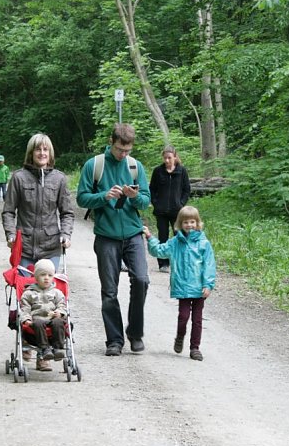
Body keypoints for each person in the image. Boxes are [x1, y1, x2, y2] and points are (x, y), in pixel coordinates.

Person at [76, 123, 151, 357]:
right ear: (112, 142)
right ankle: (114, 340)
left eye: (127, 150)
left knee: (141, 280)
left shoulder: (135, 166)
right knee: (109, 290)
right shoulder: (94, 165)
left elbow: (146, 201)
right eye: (120, 150)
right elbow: (81, 199)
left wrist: (135, 196)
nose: (123, 154)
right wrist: (104, 195)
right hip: (106, 236)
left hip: (133, 233)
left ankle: (135, 333)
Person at [143, 205, 216, 361]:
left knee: (197, 320)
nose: (189, 225)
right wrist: (150, 237)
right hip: (182, 287)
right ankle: (180, 336)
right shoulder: (175, 242)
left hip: (199, 288)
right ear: (179, 224)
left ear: (197, 223)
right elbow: (159, 251)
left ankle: (195, 348)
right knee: (183, 317)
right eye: (185, 222)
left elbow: (209, 265)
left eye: (192, 222)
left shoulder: (204, 244)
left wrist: (208, 285)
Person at [2, 134, 74, 270]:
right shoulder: (18, 177)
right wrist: (11, 235)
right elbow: (8, 212)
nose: (42, 153)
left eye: (45, 149)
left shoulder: (59, 179)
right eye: (38, 149)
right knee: (26, 290)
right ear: (31, 153)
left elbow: (67, 213)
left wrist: (66, 234)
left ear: (50, 153)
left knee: (48, 290)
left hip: (51, 248)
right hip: (23, 247)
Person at [148, 145, 191, 273]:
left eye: (169, 158)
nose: (167, 160)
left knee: (180, 236)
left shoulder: (182, 171)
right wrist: (155, 203)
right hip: (161, 211)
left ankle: (179, 263)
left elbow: (186, 189)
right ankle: (163, 264)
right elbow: (152, 189)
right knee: (163, 236)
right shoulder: (158, 171)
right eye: (165, 158)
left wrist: (181, 203)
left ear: (175, 157)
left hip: (177, 212)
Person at [19, 259, 68, 372]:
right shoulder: (28, 293)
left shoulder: (57, 293)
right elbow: (25, 309)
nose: (46, 278)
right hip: (37, 321)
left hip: (53, 319)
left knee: (59, 322)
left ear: (53, 277)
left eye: (50, 275)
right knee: (38, 322)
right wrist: (26, 319)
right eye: (42, 275)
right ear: (36, 277)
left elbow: (62, 306)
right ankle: (44, 349)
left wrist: (59, 313)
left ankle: (58, 348)